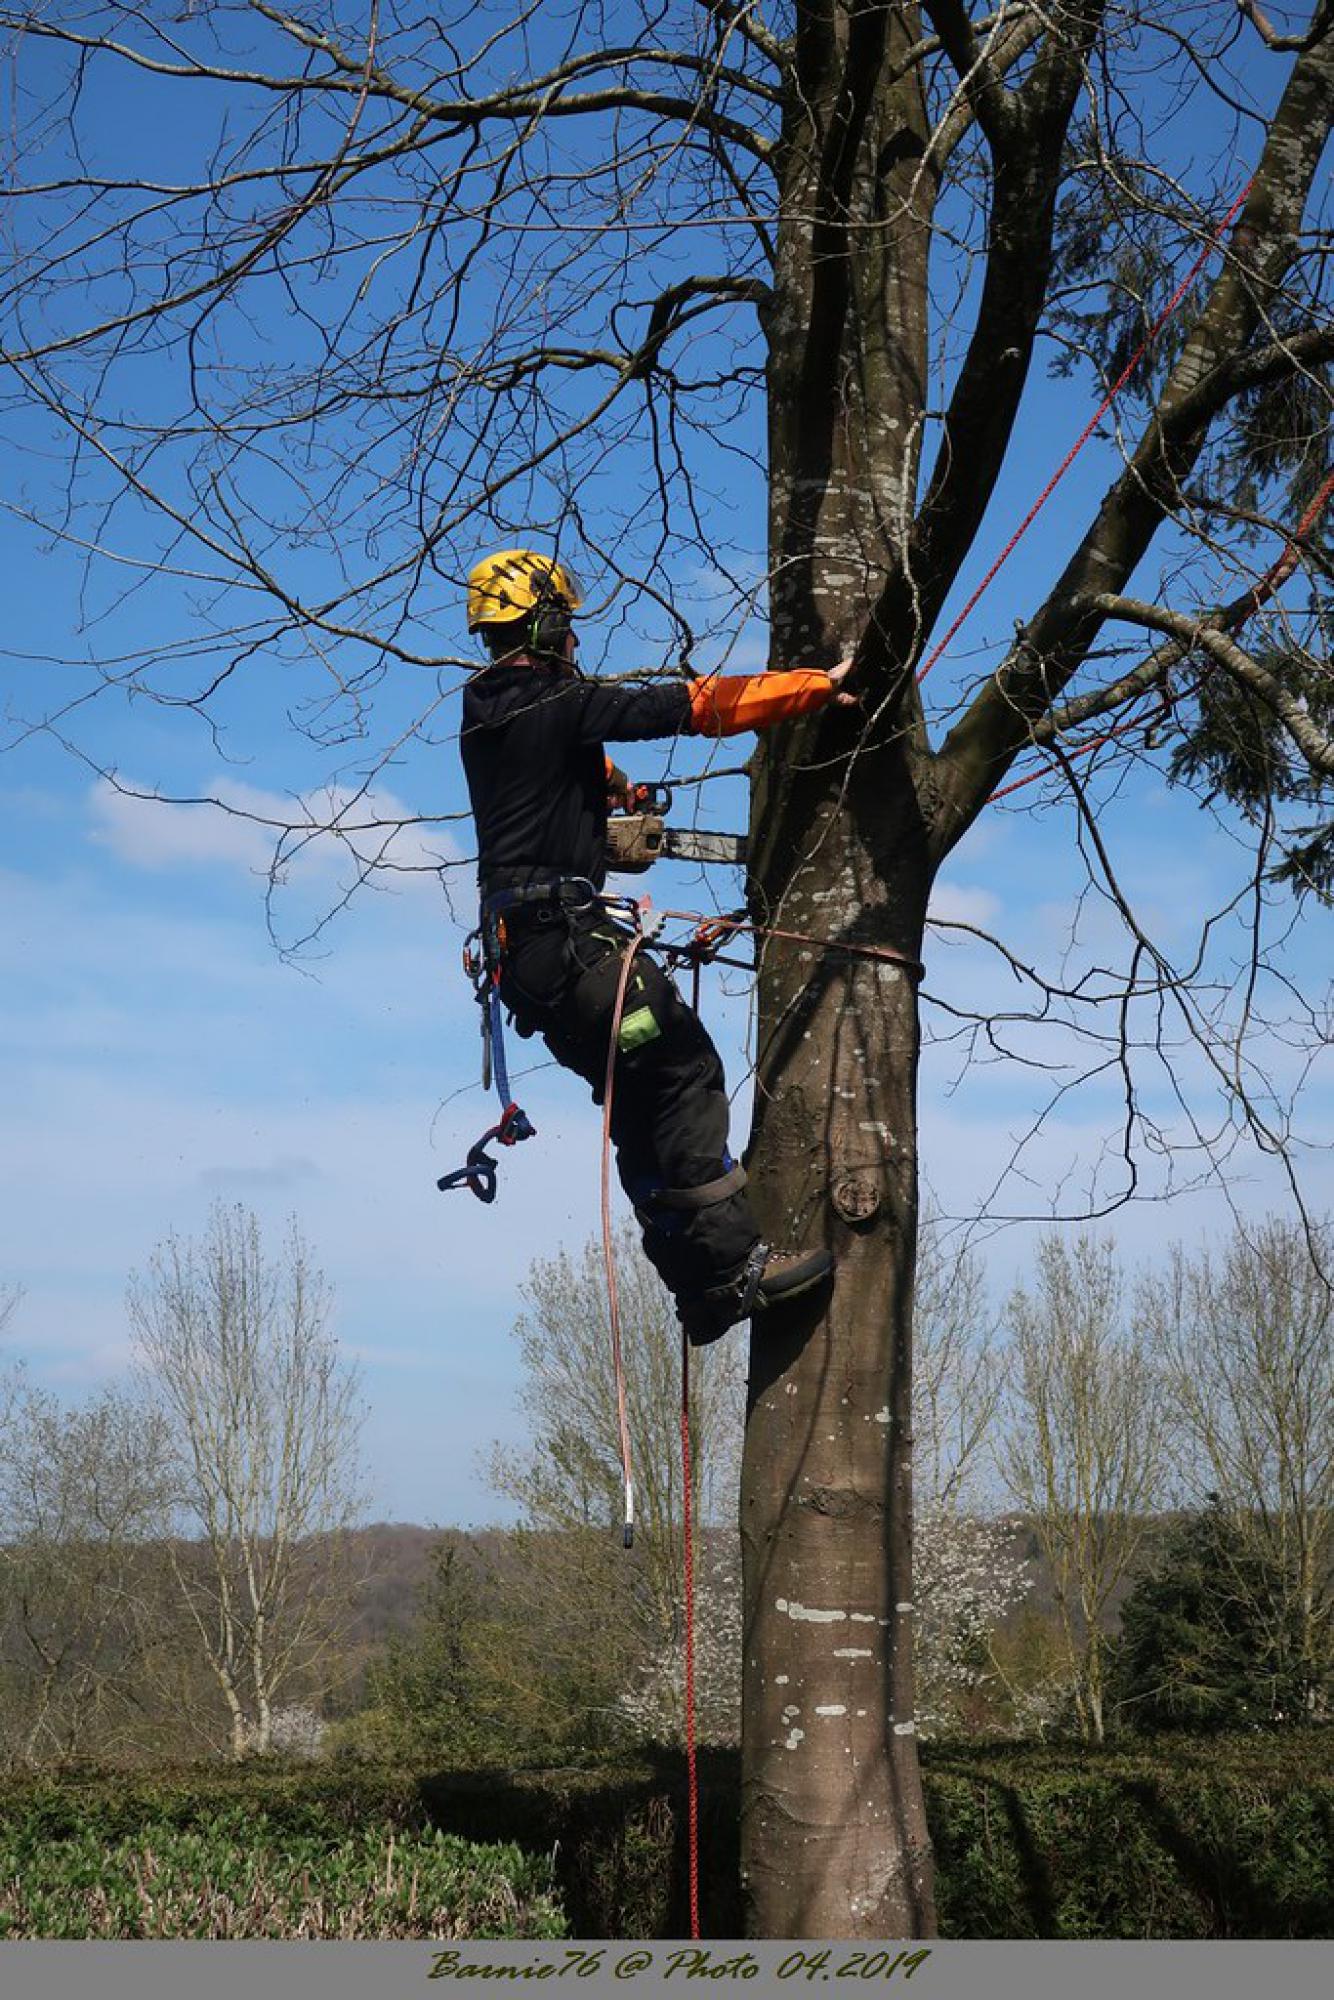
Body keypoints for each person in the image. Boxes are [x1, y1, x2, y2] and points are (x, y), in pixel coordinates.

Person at [459, 548, 857, 1346]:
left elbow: (560, 757)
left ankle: (702, 1291)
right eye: (565, 622)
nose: (575, 640)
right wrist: (813, 687)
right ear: (545, 623)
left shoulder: (490, 713)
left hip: (529, 969)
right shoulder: (557, 699)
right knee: (682, 1072)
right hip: (574, 951)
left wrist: (613, 788)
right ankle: (733, 1267)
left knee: (639, 1106)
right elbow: (692, 706)